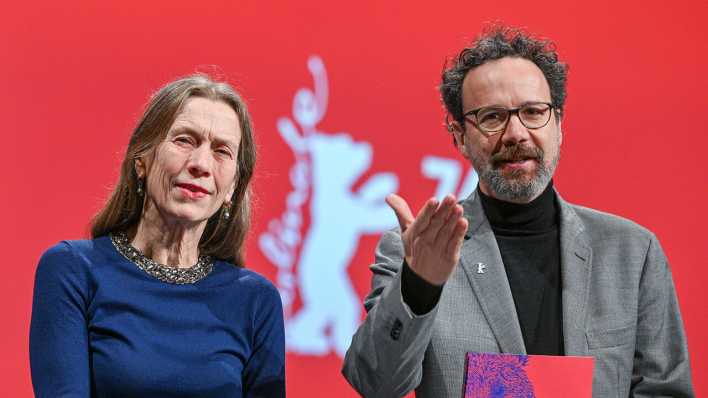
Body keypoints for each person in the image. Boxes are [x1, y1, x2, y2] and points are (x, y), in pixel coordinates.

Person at [342, 26, 694, 397]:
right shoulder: (415, 251)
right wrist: (419, 287)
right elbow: (375, 384)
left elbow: (664, 391)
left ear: (559, 124)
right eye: (492, 117)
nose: (516, 133)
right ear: (460, 136)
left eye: (532, 111)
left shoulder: (631, 253)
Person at [30, 74, 285, 397]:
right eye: (184, 140)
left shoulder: (255, 301)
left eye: (222, 151)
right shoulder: (73, 270)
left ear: (233, 186)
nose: (201, 164)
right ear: (142, 160)